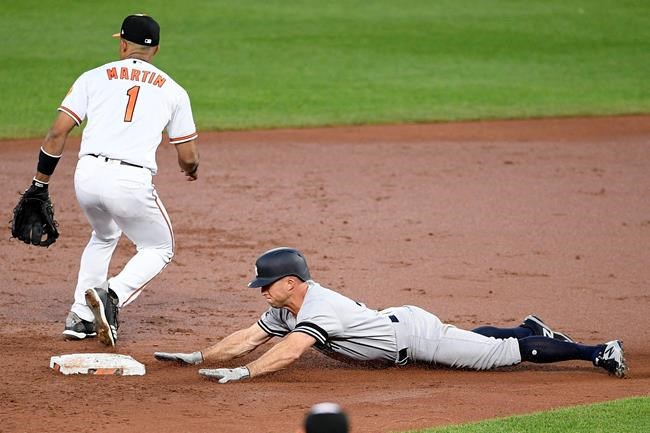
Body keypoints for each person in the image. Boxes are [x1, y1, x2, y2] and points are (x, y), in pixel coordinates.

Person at [153, 247, 628, 381]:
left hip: (414, 338)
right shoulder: (287, 306)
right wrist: (200, 356)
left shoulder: (319, 306)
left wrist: (246, 375)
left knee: (497, 357)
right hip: (402, 325)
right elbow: (247, 338)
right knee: (468, 339)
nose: (261, 291)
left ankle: (595, 352)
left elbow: (291, 351)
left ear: (291, 283)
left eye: (266, 284)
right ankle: (527, 327)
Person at [23, 14, 199, 347]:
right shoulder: (174, 90)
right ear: (156, 50)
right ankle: (112, 295)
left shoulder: (93, 77)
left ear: (122, 44)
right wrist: (191, 170)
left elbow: (58, 131)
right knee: (160, 247)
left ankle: (80, 316)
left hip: (87, 176)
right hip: (130, 180)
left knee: (104, 234)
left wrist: (40, 184)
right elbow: (188, 157)